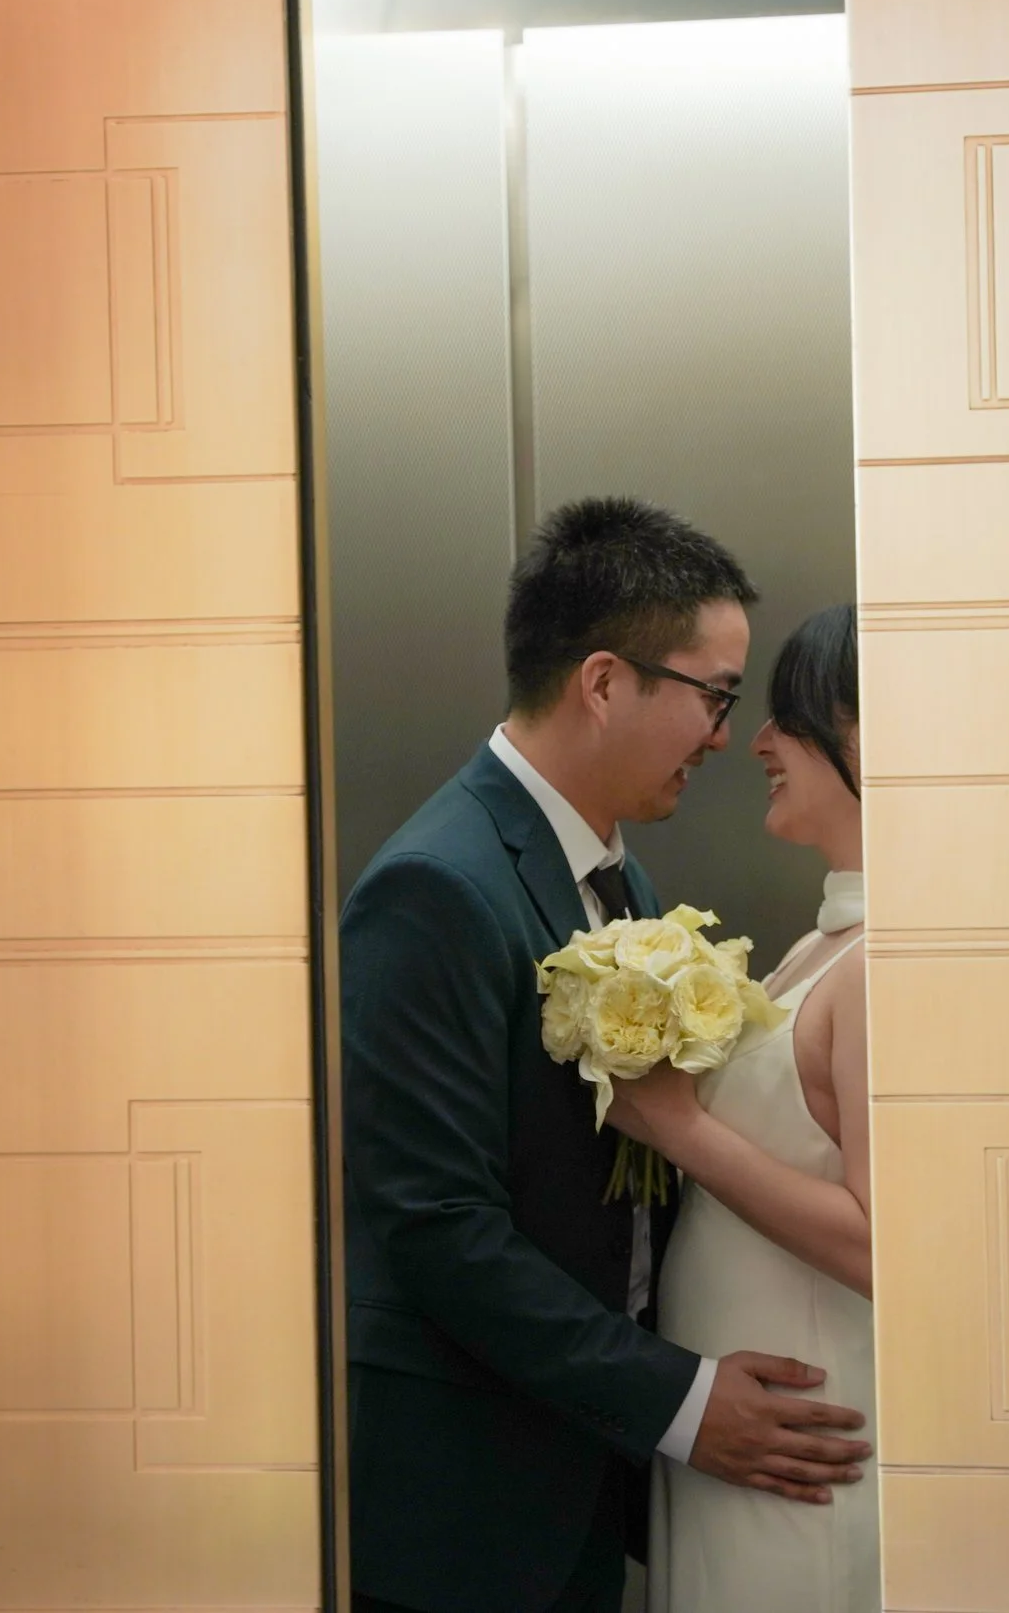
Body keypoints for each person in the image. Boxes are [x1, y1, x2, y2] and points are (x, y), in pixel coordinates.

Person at [340, 501, 873, 1613]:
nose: (728, 733)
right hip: (473, 1497)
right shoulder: (436, 883)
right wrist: (679, 1399)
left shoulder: (615, 879)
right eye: (716, 694)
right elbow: (436, 1222)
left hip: (590, 1461)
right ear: (602, 681)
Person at [609, 603, 879, 1613]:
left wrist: (677, 1126)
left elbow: (882, 1242)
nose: (757, 742)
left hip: (804, 1441)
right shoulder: (827, 947)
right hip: (749, 1436)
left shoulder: (885, 960)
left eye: (789, 715)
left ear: (864, 734)